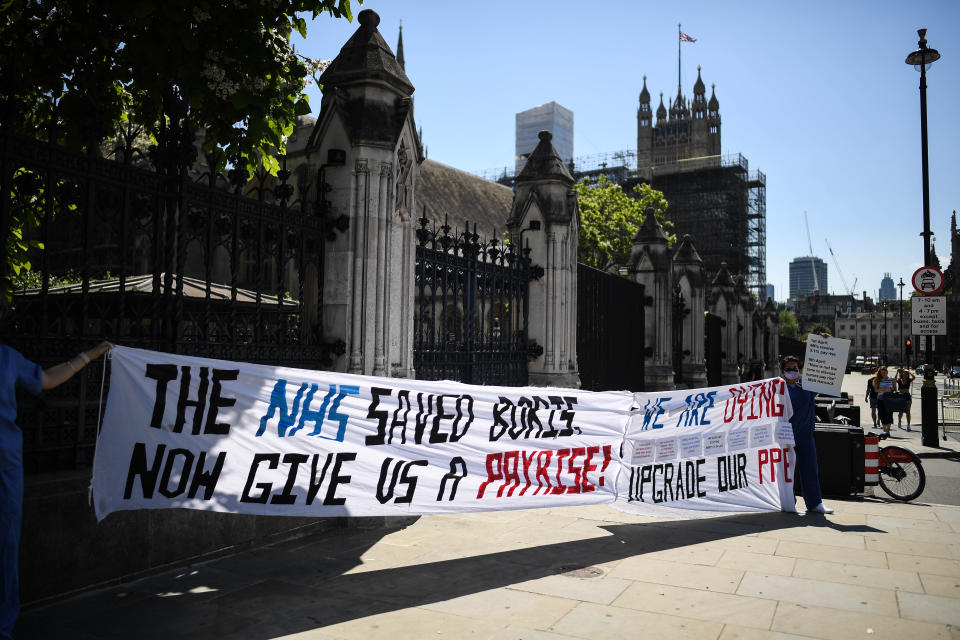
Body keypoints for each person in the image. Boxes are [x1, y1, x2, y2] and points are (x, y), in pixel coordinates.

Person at [0, 300, 111, 640]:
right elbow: (46, 380)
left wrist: (89, 356)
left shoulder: (5, 356)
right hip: (5, 462)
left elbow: (45, 379)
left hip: (4, 464)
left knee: (5, 544)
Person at [781, 355, 834, 515]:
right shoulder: (778, 388)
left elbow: (827, 372)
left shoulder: (807, 386)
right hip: (785, 436)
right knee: (786, 471)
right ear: (783, 371)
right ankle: (788, 503)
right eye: (788, 369)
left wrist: (825, 342)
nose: (792, 372)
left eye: (795, 369)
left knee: (810, 469)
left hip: (805, 435)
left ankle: (815, 503)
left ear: (800, 370)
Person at [872, 365, 895, 435]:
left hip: (889, 399)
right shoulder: (877, 380)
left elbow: (895, 389)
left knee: (889, 415)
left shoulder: (892, 379)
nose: (883, 374)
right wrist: (882, 389)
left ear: (887, 372)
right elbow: (876, 390)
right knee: (882, 414)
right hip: (881, 399)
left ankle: (888, 430)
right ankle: (884, 430)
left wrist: (892, 389)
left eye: (884, 372)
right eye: (882, 373)